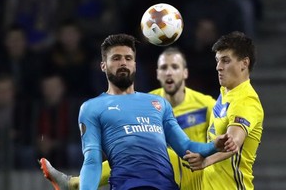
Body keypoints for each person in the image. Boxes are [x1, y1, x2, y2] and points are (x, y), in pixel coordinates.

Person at [40, 33, 237, 190]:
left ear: (135, 64)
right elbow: (92, 161)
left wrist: (213, 146)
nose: (123, 63)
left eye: (128, 58)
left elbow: (185, 146)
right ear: (103, 66)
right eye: (116, 58)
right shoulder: (92, 107)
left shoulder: (158, 103)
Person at [183, 31, 264, 190]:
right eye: (218, 61)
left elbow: (233, 141)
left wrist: (205, 160)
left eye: (226, 61)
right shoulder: (225, 92)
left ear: (244, 63)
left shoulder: (246, 101)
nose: (218, 67)